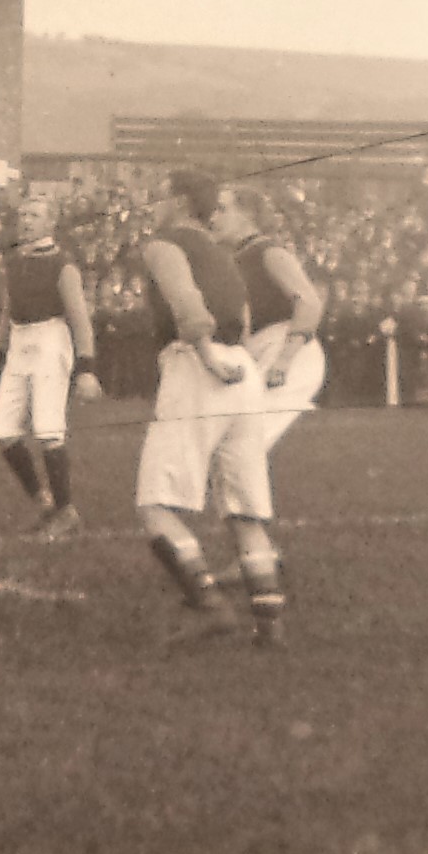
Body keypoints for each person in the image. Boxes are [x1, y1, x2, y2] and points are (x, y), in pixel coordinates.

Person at [129, 169, 280, 649]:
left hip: (199, 364)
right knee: (245, 511)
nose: (153, 206)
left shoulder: (163, 242)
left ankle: (210, 606)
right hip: (244, 376)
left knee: (155, 505)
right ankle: (270, 626)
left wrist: (208, 356)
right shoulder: (223, 251)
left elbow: (186, 303)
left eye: (157, 197)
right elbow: (246, 313)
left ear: (176, 201)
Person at [0, 198, 99, 536]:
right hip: (19, 343)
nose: (26, 221)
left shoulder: (63, 264)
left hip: (51, 340)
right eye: (22, 215)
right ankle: (45, 502)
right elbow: (8, 313)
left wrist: (87, 368)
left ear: (51, 223)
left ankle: (66, 511)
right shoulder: (14, 262)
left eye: (34, 216)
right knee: (3, 430)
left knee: (48, 428)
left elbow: (80, 319)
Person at [211, 181, 328, 518]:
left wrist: (284, 360)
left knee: (241, 448)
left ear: (247, 214)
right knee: (232, 450)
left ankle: (256, 551)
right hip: (258, 354)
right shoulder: (229, 258)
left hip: (290, 353)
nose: (213, 217)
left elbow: (309, 303)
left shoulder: (269, 252)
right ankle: (252, 550)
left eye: (223, 209)